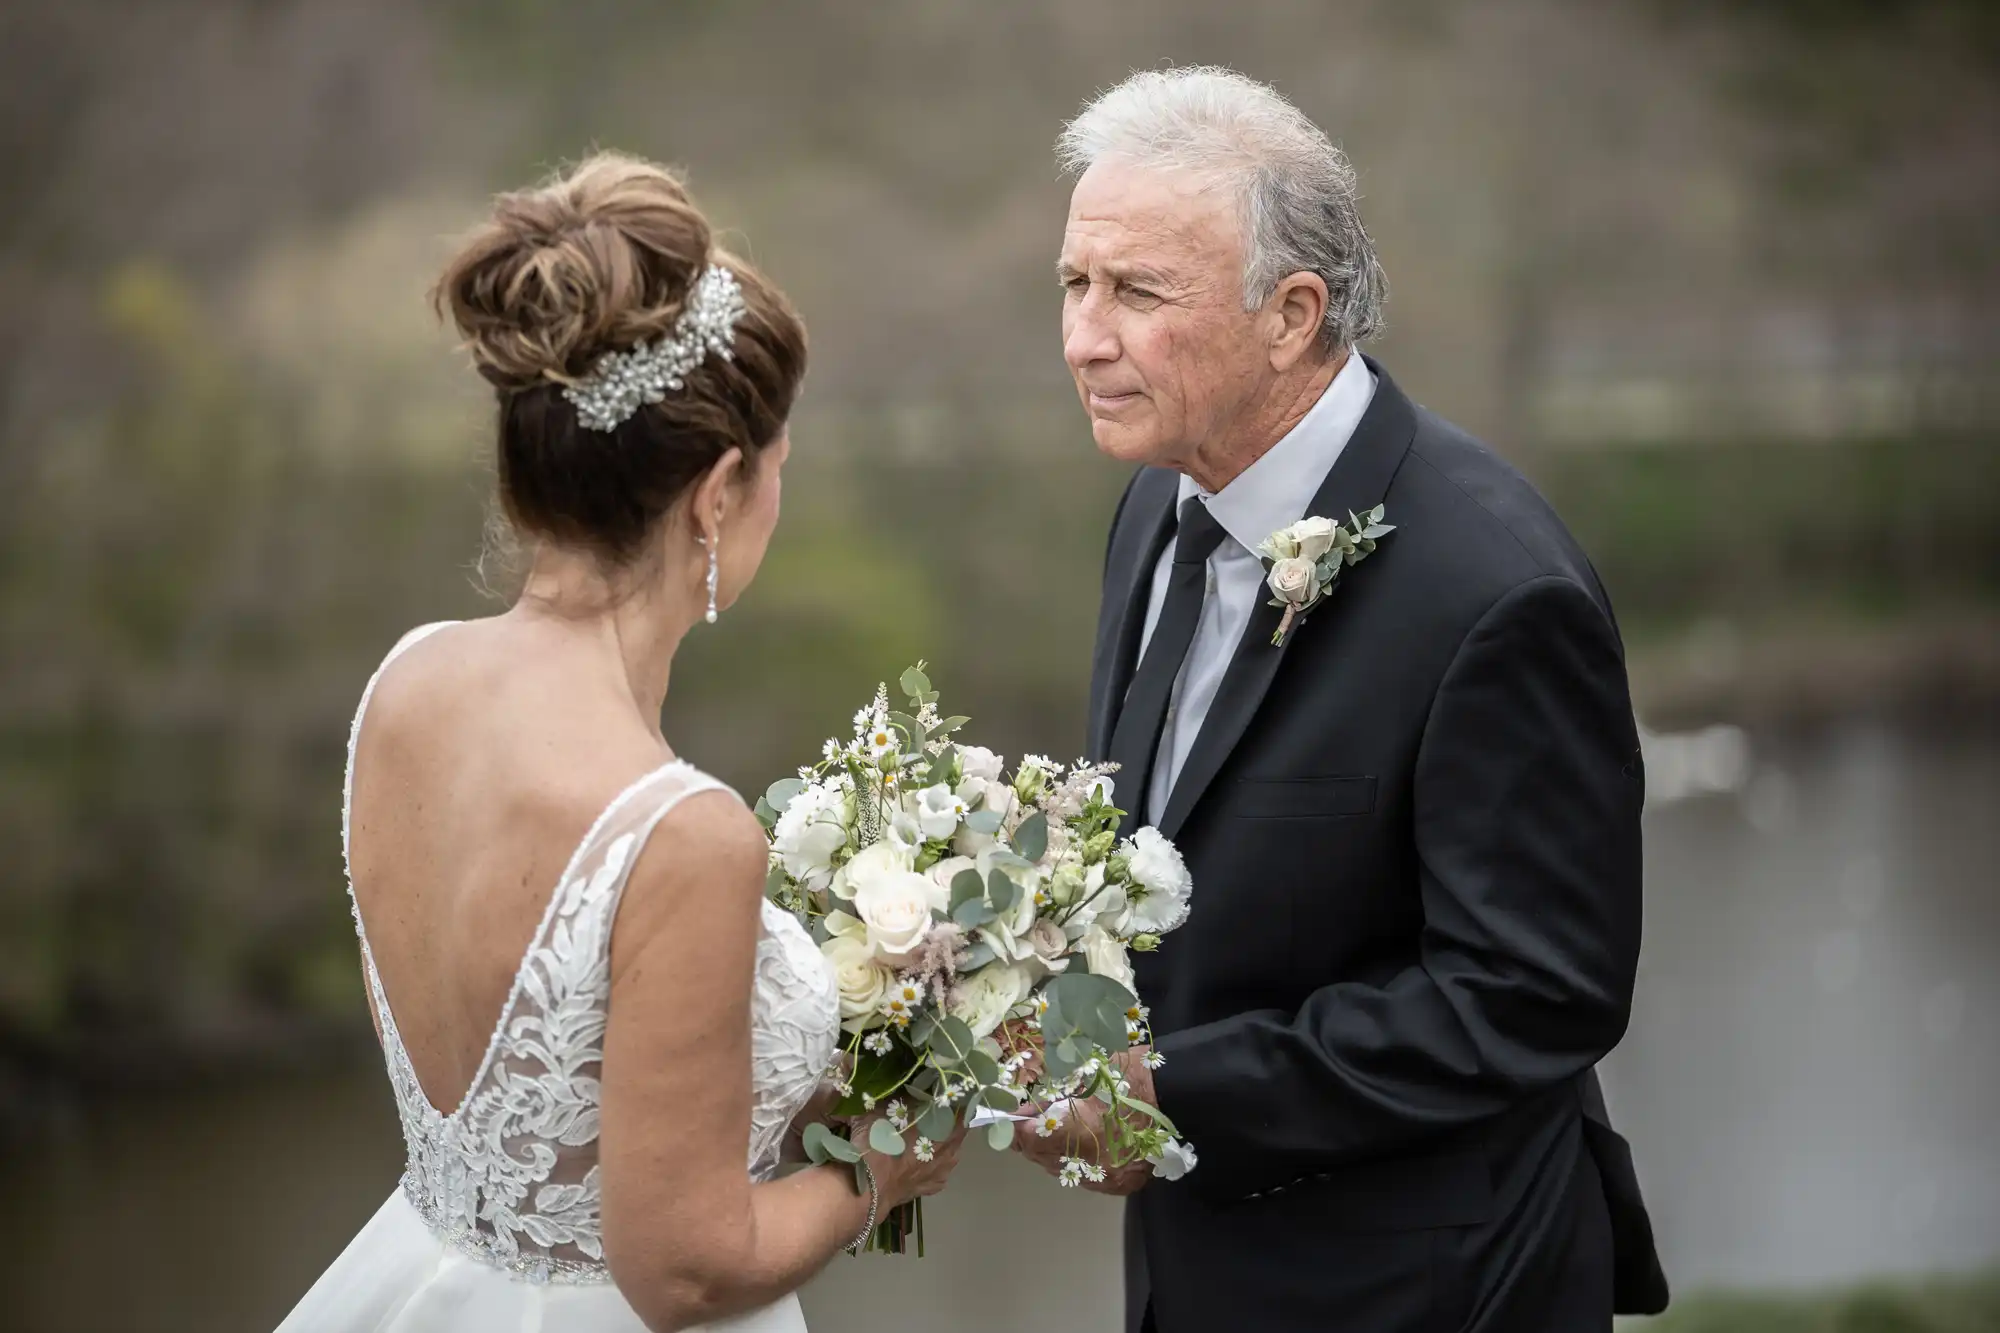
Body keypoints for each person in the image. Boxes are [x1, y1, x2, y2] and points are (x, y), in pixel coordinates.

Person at [1013, 66, 1669, 1331]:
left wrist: (1171, 1098)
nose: (1084, 338)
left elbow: (1531, 993)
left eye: (1136, 291)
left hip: (1427, 1288)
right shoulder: (1157, 502)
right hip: (1194, 1273)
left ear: (1292, 312)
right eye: (1073, 283)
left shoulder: (1494, 591)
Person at [278, 152, 963, 1333]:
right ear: (715, 493)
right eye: (776, 474)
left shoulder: (405, 685)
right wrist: (878, 1178)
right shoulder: (681, 834)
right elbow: (686, 1268)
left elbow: (575, 1097)